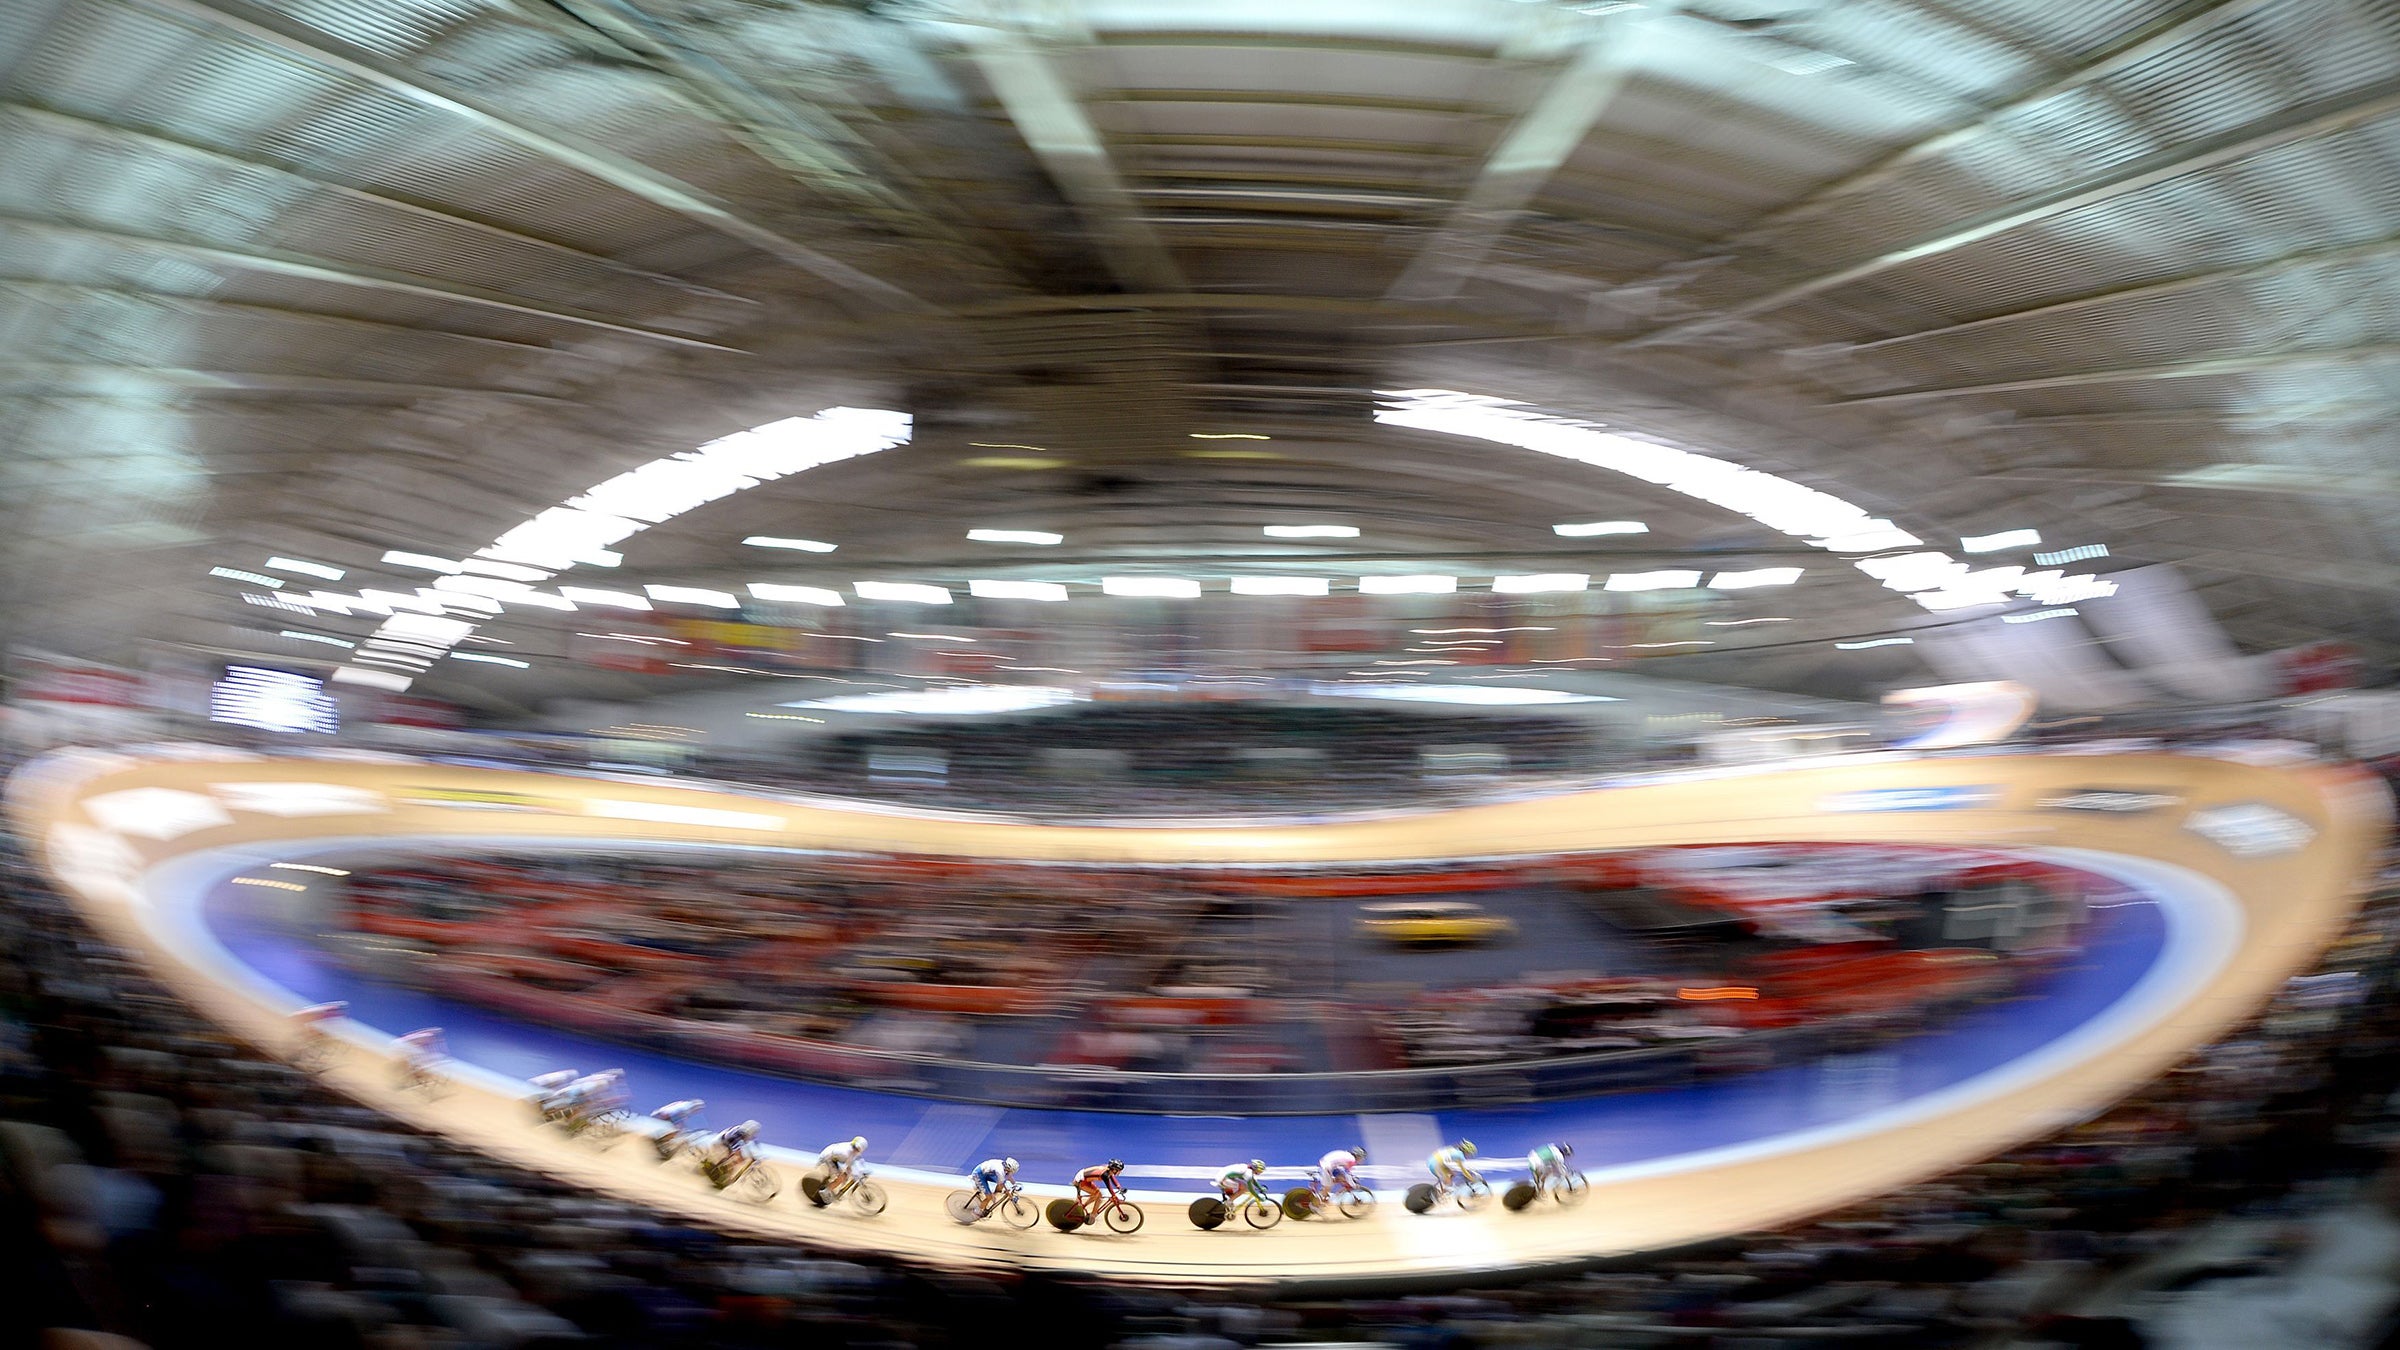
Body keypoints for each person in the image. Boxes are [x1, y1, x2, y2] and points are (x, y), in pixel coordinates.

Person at [707, 1119, 762, 1185]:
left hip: (723, 1144)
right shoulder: (738, 1135)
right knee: (736, 1160)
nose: (752, 1137)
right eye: (753, 1134)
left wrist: (753, 1156)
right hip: (719, 1145)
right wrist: (749, 1159)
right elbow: (738, 1150)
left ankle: (720, 1174)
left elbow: (747, 1147)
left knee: (734, 1159)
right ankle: (720, 1177)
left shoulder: (740, 1130)